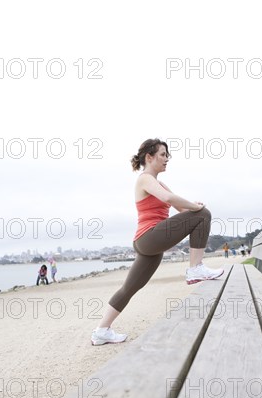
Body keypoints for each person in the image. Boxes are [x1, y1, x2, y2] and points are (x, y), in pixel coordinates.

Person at [91, 138, 224, 346]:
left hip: (148, 243)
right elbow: (169, 198)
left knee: (130, 288)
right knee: (204, 214)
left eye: (167, 155)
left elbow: (181, 209)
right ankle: (195, 268)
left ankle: (101, 331)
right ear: (149, 157)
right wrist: (197, 209)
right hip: (149, 237)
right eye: (163, 155)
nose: (166, 159)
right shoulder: (145, 179)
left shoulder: (159, 182)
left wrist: (193, 206)